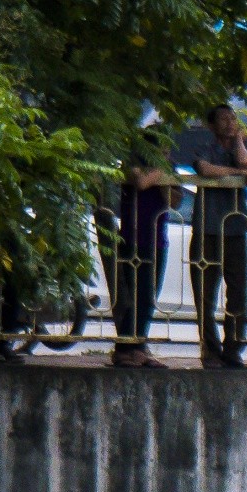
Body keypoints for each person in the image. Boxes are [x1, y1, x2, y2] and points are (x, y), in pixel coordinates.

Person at [188, 104, 247, 370]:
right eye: (223, 119)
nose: (229, 123)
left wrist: (238, 142)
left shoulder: (240, 150)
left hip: (235, 228)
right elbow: (205, 169)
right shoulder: (205, 149)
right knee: (205, 294)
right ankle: (210, 350)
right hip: (206, 229)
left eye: (233, 118)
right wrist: (237, 174)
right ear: (211, 126)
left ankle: (234, 349)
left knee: (237, 292)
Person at [105, 148, 174, 369]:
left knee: (148, 296)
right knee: (139, 295)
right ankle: (128, 347)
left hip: (156, 239)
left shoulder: (166, 172)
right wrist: (161, 170)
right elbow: (142, 182)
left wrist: (165, 177)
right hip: (134, 239)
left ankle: (134, 346)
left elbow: (173, 200)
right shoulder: (132, 168)